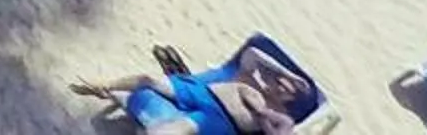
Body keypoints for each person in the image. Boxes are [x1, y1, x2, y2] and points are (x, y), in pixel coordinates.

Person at [74, 43, 311, 133]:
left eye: (287, 88)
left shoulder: (284, 117)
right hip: (201, 91)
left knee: (167, 132)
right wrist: (287, 73)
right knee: (147, 79)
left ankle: (114, 96)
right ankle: (102, 85)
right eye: (280, 80)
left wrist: (261, 112)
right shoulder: (249, 76)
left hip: (217, 120)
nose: (280, 85)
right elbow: (253, 53)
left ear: (291, 97)